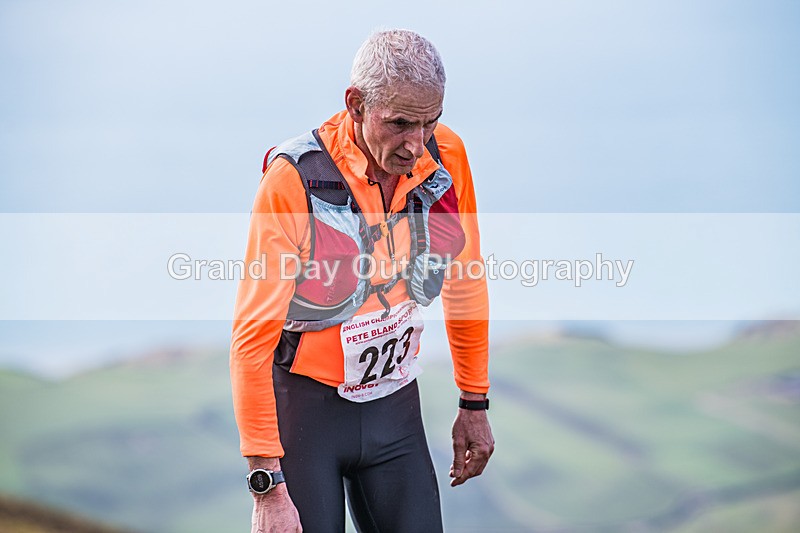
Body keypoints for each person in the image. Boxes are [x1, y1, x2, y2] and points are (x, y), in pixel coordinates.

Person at [230, 29, 493, 533]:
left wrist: (474, 402)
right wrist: (266, 484)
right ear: (355, 104)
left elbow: (465, 280)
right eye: (398, 123)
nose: (416, 145)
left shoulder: (447, 156)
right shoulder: (294, 179)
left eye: (429, 122)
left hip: (394, 408)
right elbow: (250, 343)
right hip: (306, 416)